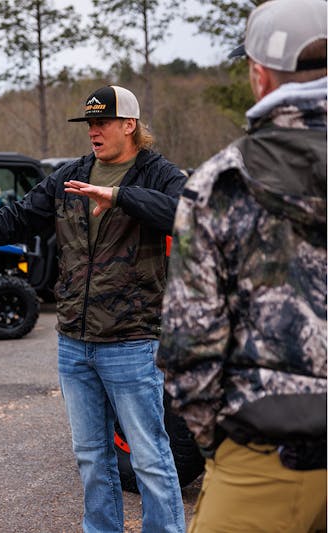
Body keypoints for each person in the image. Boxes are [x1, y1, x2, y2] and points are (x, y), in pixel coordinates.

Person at [0, 85, 187, 532]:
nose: (94, 131)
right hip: (74, 342)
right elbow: (18, 216)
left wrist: (120, 197)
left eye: (103, 123)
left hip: (131, 340)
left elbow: (186, 212)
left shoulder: (158, 174)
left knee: (150, 456)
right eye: (89, 124)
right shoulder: (71, 175)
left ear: (130, 125)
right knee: (91, 456)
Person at [156, 0, 327, 530]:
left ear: (258, 75)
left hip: (264, 459)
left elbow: (188, 349)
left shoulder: (217, 185)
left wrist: (221, 445)